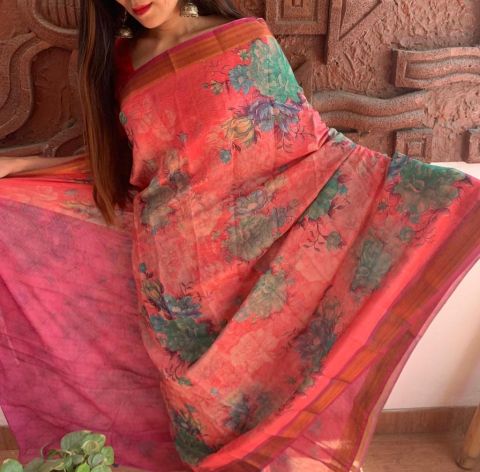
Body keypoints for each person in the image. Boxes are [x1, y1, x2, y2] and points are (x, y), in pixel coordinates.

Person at [0, 1, 479, 471]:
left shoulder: (244, 39)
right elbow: (118, 166)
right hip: (174, 282)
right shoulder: (120, 61)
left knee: (272, 396)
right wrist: (21, 166)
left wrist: (431, 191)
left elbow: (308, 147)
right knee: (201, 425)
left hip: (254, 270)